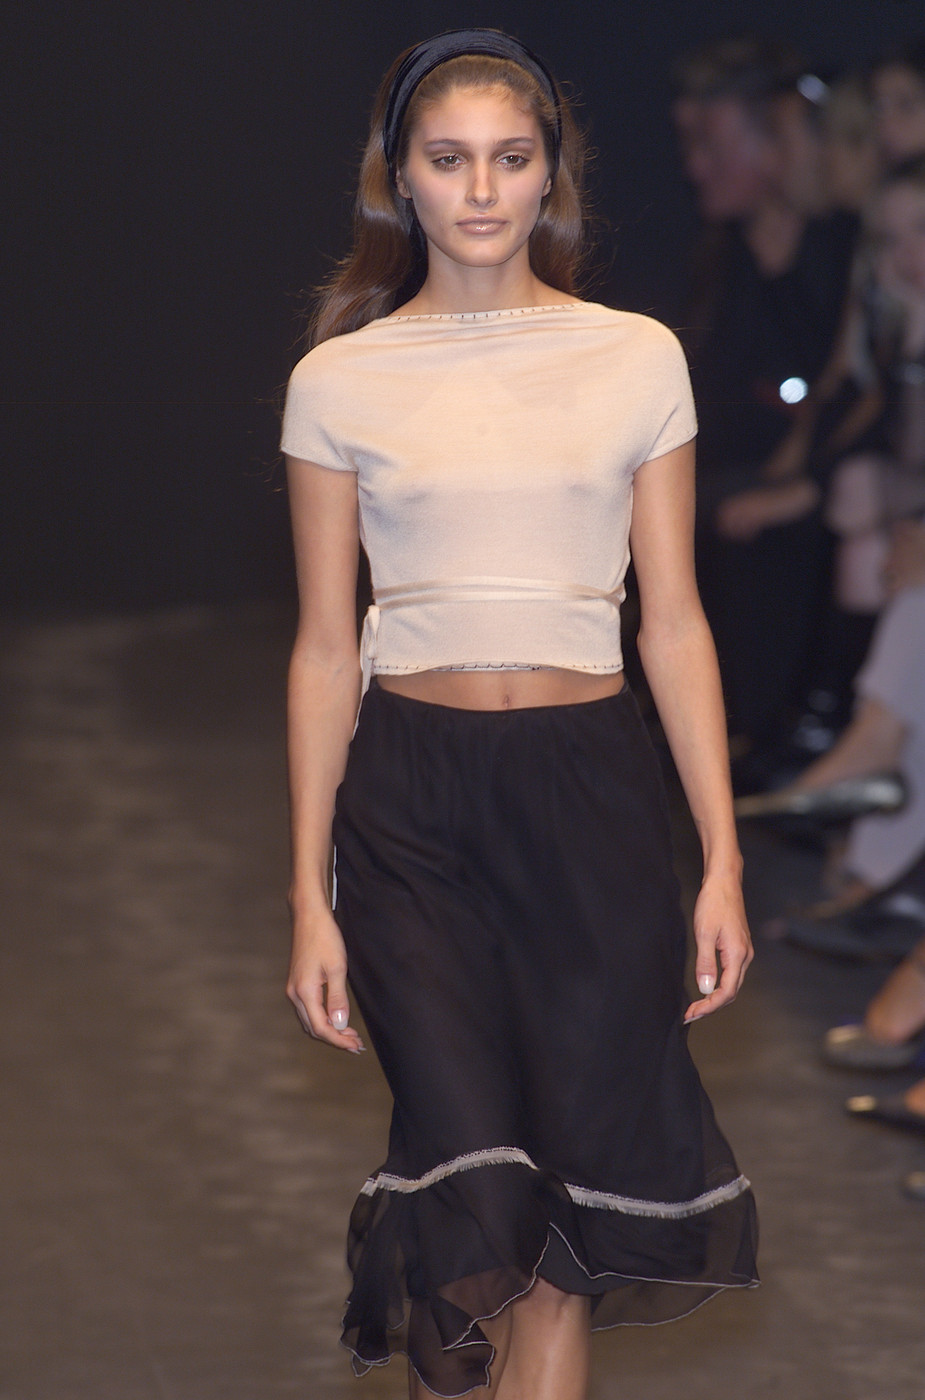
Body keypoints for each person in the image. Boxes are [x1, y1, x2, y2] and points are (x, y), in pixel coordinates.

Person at [280, 30, 757, 1399]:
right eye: (449, 160)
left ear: (552, 173)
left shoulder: (634, 358)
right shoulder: (341, 379)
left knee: (563, 1220)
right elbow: (324, 650)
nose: (480, 190)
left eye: (509, 158)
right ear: (400, 178)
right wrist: (306, 891)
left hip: (589, 794)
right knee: (466, 1199)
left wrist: (720, 859)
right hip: (409, 810)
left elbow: (673, 622)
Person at [672, 38, 858, 755]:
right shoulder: (719, 253)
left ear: (780, 141)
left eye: (712, 145)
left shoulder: (846, 244)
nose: (695, 167)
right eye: (688, 144)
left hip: (816, 476)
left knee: (743, 521)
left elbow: (843, 388)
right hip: (728, 468)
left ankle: (759, 737)